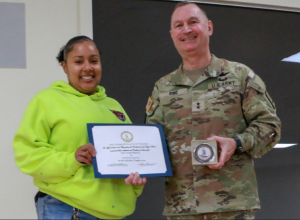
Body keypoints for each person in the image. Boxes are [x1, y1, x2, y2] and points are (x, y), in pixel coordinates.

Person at [145, 2, 281, 220]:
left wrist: (236, 143)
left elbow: (270, 128)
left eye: (192, 22)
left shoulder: (240, 76)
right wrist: (135, 165)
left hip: (232, 208)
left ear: (209, 27)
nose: (186, 29)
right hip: (183, 209)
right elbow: (150, 142)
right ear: (172, 35)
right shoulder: (163, 87)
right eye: (179, 25)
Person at [13, 36, 146, 220]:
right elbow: (27, 154)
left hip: (114, 213)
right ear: (65, 67)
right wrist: (72, 159)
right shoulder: (47, 101)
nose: (88, 67)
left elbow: (132, 155)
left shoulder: (114, 106)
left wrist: (136, 181)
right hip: (67, 208)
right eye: (78, 61)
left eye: (94, 60)